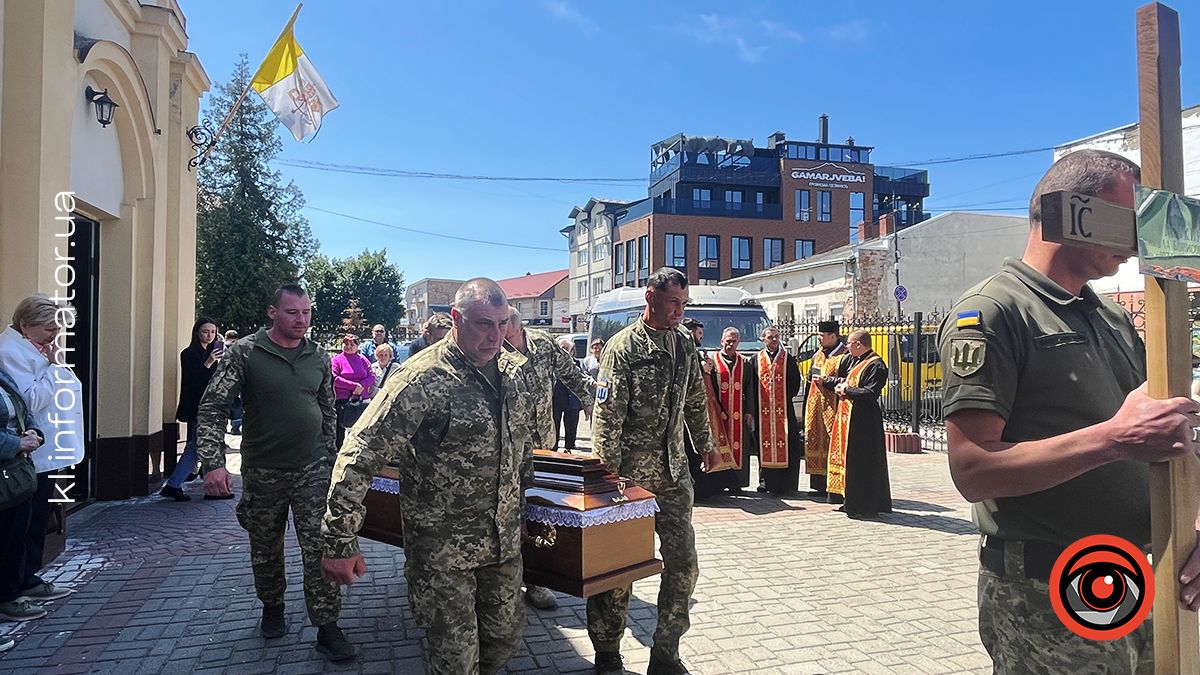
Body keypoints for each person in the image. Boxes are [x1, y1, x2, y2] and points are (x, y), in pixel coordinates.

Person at [938, 149, 1200, 673]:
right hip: (1049, 589)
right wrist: (1113, 439)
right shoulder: (993, 311)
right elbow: (972, 470)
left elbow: (1169, 430)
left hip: (1140, 574)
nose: (1137, 240)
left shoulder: (1110, 317)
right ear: (1070, 211)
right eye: (1127, 220)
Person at [321, 278, 533, 674]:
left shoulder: (514, 373)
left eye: (502, 324)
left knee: (503, 640)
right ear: (456, 318)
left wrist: (520, 513)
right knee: (455, 660)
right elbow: (358, 455)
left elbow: (520, 452)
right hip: (442, 551)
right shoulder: (421, 378)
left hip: (500, 543)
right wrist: (338, 540)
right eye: (484, 324)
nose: (496, 335)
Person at [196, 284, 353, 662]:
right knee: (266, 548)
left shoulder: (318, 355)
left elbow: (328, 409)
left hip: (312, 468)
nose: (301, 321)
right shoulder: (246, 352)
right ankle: (272, 605)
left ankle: (327, 627)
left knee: (320, 547)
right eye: (292, 313)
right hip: (263, 469)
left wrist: (331, 457)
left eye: (306, 313)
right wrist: (212, 462)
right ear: (272, 312)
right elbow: (213, 406)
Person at [588, 267, 720, 675]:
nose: (679, 310)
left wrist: (708, 445)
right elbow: (606, 418)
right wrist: (606, 482)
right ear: (651, 298)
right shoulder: (622, 348)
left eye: (684, 303)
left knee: (683, 564)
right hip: (629, 481)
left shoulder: (683, 343)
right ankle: (608, 651)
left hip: (674, 474)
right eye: (673, 302)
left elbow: (695, 399)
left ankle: (665, 652)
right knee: (618, 569)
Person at [503, 307, 595, 612]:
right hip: (505, 446)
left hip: (542, 444)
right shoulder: (492, 347)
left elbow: (572, 374)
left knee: (539, 508)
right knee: (507, 511)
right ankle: (506, 579)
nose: (506, 340)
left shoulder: (543, 343)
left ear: (520, 328)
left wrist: (591, 398)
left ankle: (538, 580)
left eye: (510, 334)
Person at [0, 295, 83, 612]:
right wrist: (52, 367)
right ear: (25, 325)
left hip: (44, 447)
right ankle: (15, 584)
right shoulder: (10, 352)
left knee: (35, 521)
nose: (54, 336)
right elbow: (29, 400)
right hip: (28, 454)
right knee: (22, 524)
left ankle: (28, 578)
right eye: (49, 329)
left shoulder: (31, 348)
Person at [823, 330, 891, 517]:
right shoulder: (857, 360)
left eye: (850, 344)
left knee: (862, 462)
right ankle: (850, 500)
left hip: (864, 421)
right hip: (850, 419)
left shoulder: (876, 364)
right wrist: (839, 386)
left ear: (859, 345)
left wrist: (847, 391)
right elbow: (848, 382)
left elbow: (871, 392)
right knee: (850, 461)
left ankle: (864, 505)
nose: (847, 347)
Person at [0, 365, 47, 625]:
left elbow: (23, 409)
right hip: (7, 464)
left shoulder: (2, 373)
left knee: (14, 536)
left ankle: (9, 595)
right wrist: (16, 444)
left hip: (15, 474)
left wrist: (34, 432)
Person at [162, 318, 222, 501]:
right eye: (205, 331)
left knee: (199, 446)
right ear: (197, 332)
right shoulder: (189, 354)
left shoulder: (212, 352)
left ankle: (177, 484)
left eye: (213, 332)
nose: (209, 335)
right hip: (196, 407)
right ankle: (174, 485)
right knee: (197, 447)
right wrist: (209, 363)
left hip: (210, 407)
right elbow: (193, 380)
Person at [748, 325, 804, 496]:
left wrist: (783, 399)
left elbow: (795, 383)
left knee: (788, 444)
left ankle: (787, 484)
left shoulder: (788, 359)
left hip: (784, 411)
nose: (774, 340)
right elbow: (750, 385)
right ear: (763, 339)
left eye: (776, 337)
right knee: (762, 446)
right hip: (762, 411)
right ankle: (766, 483)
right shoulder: (755, 360)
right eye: (770, 337)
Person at [705, 327, 753, 495]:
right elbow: (709, 388)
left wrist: (749, 411)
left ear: (738, 343)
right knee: (719, 445)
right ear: (721, 341)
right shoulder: (713, 360)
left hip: (739, 413)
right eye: (728, 341)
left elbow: (750, 388)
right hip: (719, 414)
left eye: (734, 341)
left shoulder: (745, 362)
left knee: (739, 446)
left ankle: (737, 483)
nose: (730, 344)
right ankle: (720, 482)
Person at [803, 321, 846, 497]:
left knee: (831, 444)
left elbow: (847, 380)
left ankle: (834, 486)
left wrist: (826, 381)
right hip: (816, 407)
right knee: (814, 440)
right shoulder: (818, 355)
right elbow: (809, 379)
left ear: (833, 336)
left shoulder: (845, 355)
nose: (819, 338)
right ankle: (819, 485)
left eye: (822, 335)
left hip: (834, 406)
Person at [331, 334, 376, 449]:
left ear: (357, 346)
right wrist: (353, 386)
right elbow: (335, 378)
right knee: (340, 430)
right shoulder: (336, 360)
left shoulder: (363, 360)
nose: (349, 346)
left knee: (362, 428)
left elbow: (371, 376)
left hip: (362, 399)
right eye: (346, 344)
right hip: (343, 400)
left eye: (352, 344)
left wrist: (361, 386)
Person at [552, 337, 585, 452]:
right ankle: (553, 446)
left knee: (571, 425)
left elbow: (581, 381)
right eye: (562, 348)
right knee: (554, 425)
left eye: (567, 349)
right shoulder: (551, 363)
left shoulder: (576, 363)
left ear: (572, 351)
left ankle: (569, 447)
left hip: (571, 400)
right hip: (555, 399)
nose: (565, 351)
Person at [225, 330, 244, 435]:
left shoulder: (224, 349)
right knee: (236, 406)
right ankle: (235, 427)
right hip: (234, 380)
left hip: (229, 380)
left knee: (233, 405)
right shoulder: (239, 348)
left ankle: (232, 427)